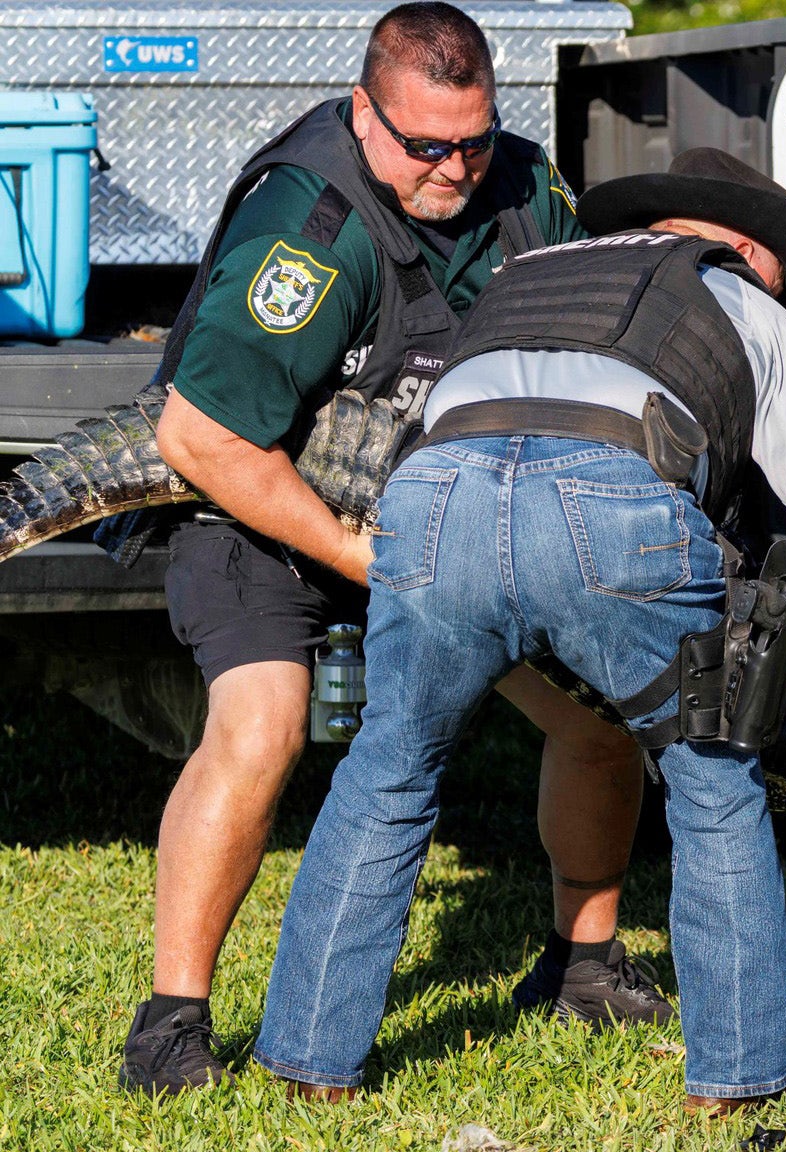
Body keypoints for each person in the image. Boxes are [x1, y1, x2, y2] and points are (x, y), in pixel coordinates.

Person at [252, 147, 786, 1115]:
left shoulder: (523, 275)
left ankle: (305, 1063)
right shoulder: (744, 300)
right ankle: (737, 1082)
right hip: (611, 503)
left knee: (390, 773)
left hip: (435, 497)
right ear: (748, 249)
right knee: (712, 780)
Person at [115, 4, 658, 1096]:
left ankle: (580, 961)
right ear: (364, 115)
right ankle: (172, 1020)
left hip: (434, 511)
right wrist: (361, 561)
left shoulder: (521, 182)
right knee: (263, 725)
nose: (455, 168)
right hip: (262, 509)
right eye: (425, 146)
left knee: (604, 712)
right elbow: (200, 436)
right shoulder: (309, 230)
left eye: (474, 138)